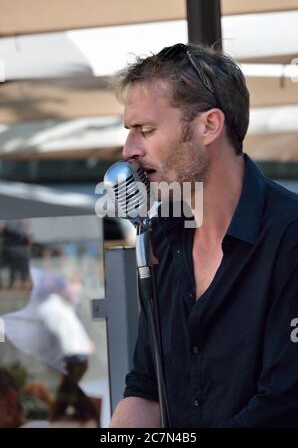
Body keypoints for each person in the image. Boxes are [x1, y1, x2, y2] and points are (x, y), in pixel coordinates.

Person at [109, 43, 298, 428]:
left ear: (209, 125)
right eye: (130, 131)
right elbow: (147, 390)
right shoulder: (159, 238)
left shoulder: (289, 235)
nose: (129, 149)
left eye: (145, 130)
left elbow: (283, 405)